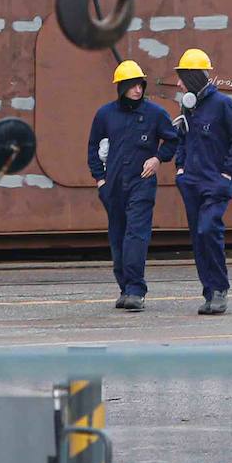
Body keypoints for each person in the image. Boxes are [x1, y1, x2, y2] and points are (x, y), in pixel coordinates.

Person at [87, 60, 180, 311]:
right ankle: (124, 288)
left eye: (140, 85)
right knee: (117, 237)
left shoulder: (155, 114)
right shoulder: (105, 115)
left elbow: (173, 140)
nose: (137, 90)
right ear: (121, 87)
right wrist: (101, 180)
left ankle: (136, 291)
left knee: (135, 236)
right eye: (132, 85)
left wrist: (157, 158)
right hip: (113, 186)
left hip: (142, 183)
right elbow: (93, 148)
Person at [173, 47, 232, 315]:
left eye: (182, 77)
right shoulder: (188, 106)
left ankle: (219, 289)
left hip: (215, 183)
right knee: (198, 237)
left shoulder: (224, 105)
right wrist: (180, 169)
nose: (179, 83)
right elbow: (182, 137)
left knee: (208, 230)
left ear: (194, 76)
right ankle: (209, 293)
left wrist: (227, 173)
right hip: (191, 183)